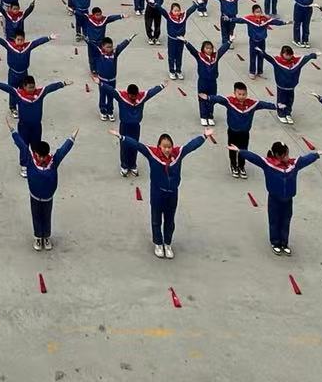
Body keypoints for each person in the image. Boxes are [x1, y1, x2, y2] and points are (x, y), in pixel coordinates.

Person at [117, 129, 204, 257]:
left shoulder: (178, 154)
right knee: (156, 220)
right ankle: (158, 243)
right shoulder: (153, 154)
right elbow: (137, 145)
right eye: (164, 147)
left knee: (170, 221)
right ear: (159, 146)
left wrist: (204, 136)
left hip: (172, 194)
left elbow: (191, 146)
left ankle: (167, 244)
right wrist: (122, 137)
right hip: (157, 194)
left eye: (169, 147)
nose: (167, 150)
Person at [237, 141, 321, 255]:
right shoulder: (268, 164)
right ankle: (275, 242)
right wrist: (240, 151)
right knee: (274, 221)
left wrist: (316, 154)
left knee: (286, 221)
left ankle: (284, 243)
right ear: (277, 155)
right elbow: (254, 158)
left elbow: (305, 160)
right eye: (285, 155)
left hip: (288, 200)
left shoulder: (293, 165)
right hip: (274, 199)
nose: (288, 156)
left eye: (288, 154)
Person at [12, 126, 78, 251]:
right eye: (39, 155)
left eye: (43, 156)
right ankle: (38, 237)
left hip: (48, 198)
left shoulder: (53, 161)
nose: (41, 158)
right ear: (35, 153)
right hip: (35, 196)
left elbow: (63, 150)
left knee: (47, 216)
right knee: (36, 216)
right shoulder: (30, 160)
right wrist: (12, 131)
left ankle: (46, 237)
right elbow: (21, 145)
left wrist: (72, 137)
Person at [206, 83, 277, 178]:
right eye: (239, 94)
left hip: (245, 132)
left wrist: (275, 106)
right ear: (234, 93)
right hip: (232, 132)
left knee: (243, 149)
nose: (241, 96)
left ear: (247, 94)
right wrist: (208, 97)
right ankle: (233, 165)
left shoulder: (251, 104)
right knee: (232, 150)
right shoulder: (230, 102)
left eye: (244, 94)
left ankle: (241, 166)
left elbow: (262, 104)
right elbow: (219, 99)